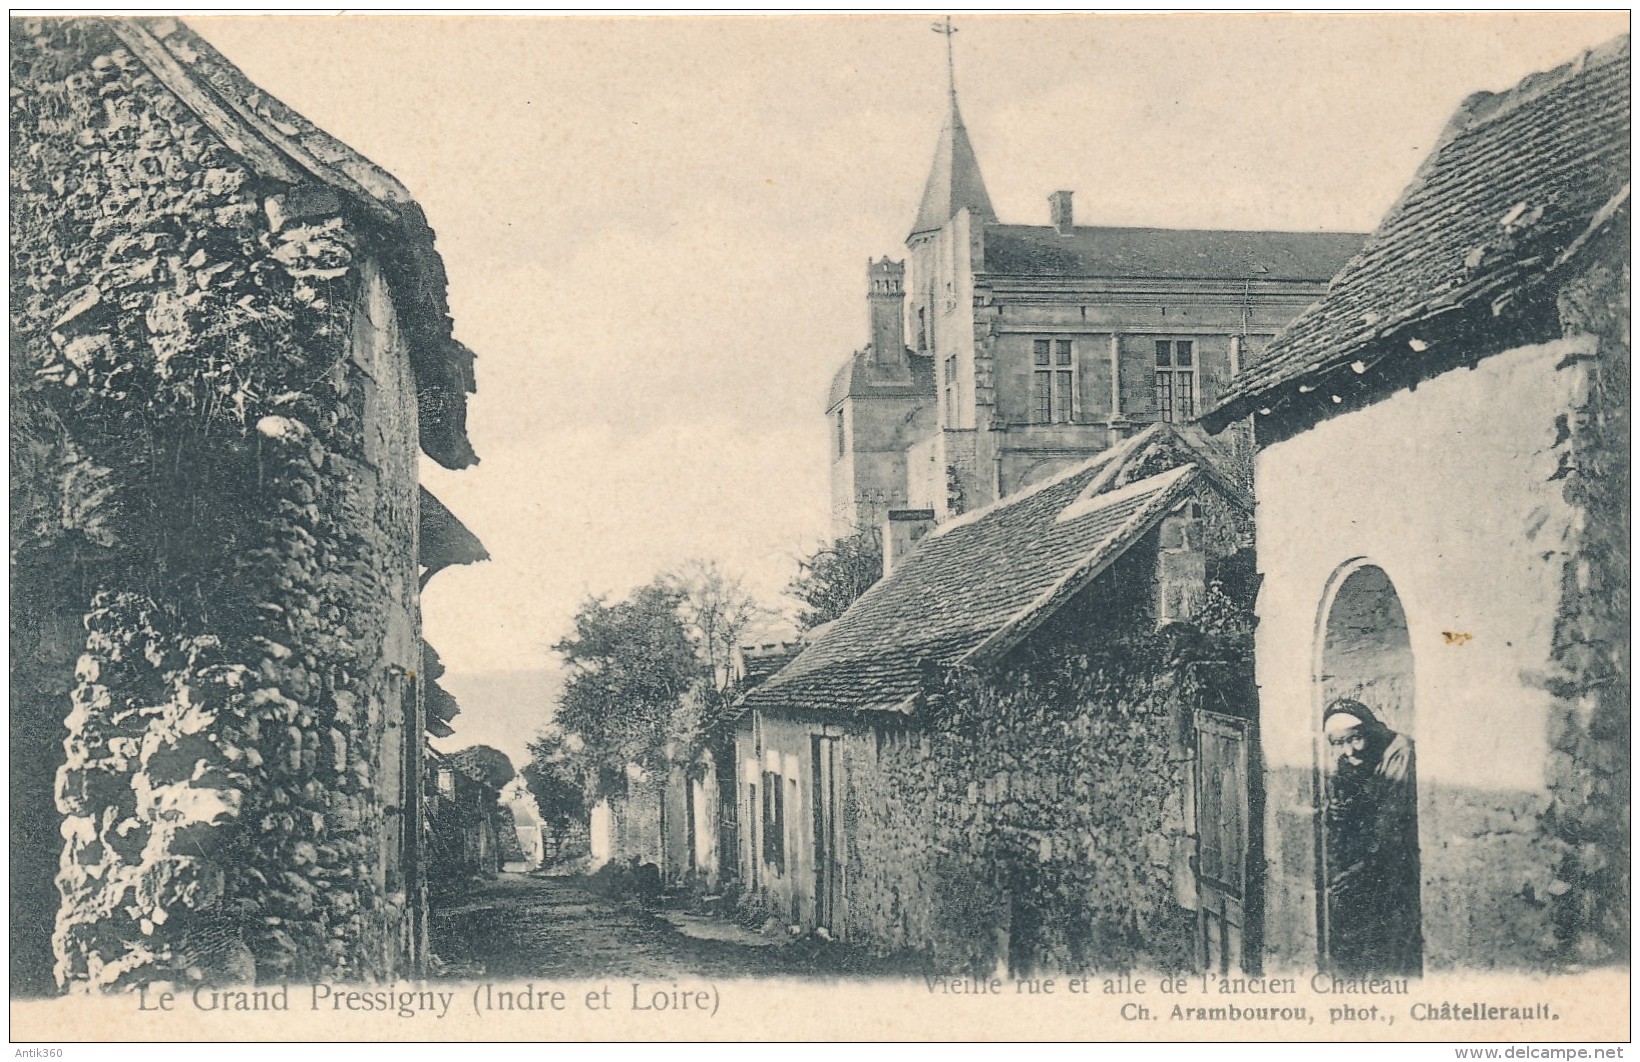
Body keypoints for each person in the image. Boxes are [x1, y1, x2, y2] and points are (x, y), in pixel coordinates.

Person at [1322, 698, 1422, 976]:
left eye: (1355, 739)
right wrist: (1336, 811)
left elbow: (1394, 821)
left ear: (1369, 731)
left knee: (1391, 944)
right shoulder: (1350, 760)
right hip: (1362, 864)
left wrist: (1362, 870)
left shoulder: (1398, 752)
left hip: (1392, 863)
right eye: (1338, 743)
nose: (1348, 750)